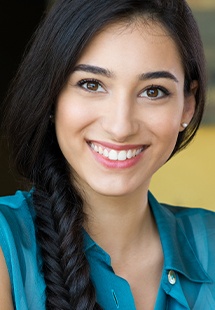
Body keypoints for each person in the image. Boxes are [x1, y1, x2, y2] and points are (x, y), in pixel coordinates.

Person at [0, 0, 214, 309]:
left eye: (153, 91)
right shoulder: (7, 247)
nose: (120, 126)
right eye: (91, 84)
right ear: (52, 97)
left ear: (188, 106)